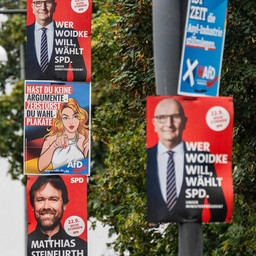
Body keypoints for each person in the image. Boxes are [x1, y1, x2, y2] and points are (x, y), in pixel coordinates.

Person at [147, 98, 227, 224]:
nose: (169, 123)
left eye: (175, 117)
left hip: (195, 233)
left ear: (184, 121)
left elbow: (219, 208)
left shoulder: (202, 158)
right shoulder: (148, 158)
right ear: (154, 123)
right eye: (162, 117)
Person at [26, 0, 87, 81]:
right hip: (31, 92)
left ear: (54, 6)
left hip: (61, 91)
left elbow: (80, 72)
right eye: (38, 3)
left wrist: (70, 91)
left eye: (47, 2)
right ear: (32, 7)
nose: (43, 7)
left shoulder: (68, 34)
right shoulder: (26, 32)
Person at [27, 175, 87, 256]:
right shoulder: (23, 246)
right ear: (33, 206)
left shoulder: (82, 247)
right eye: (40, 200)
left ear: (64, 204)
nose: (46, 206)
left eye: (53, 199)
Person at [38, 98, 89, 172]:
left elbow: (85, 169)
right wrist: (54, 145)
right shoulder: (51, 139)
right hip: (56, 180)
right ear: (60, 120)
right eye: (66, 118)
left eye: (75, 116)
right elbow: (41, 167)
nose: (71, 122)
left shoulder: (84, 138)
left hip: (76, 181)